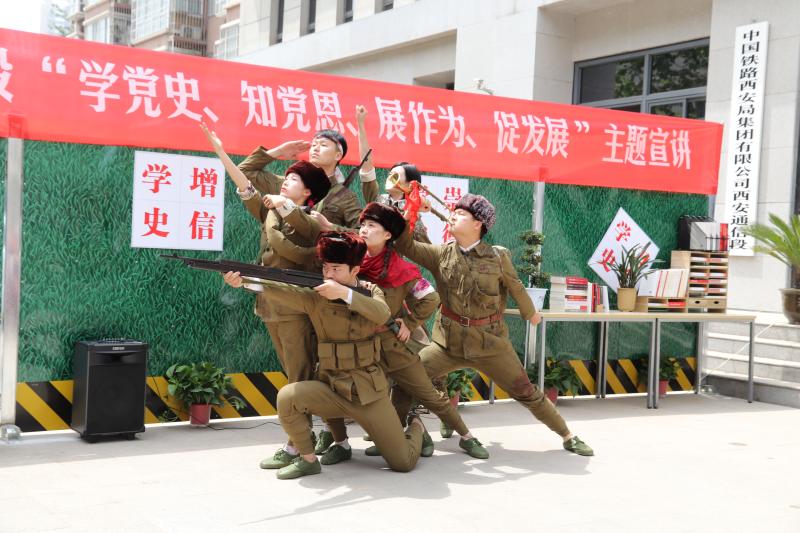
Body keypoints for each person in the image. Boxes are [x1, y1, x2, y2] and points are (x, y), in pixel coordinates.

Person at [391, 193, 595, 458]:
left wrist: (530, 313)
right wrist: (412, 211)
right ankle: (395, 435)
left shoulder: (497, 257)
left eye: (461, 214)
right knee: (408, 375)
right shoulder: (440, 254)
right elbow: (406, 245)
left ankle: (568, 436)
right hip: (448, 344)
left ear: (478, 224)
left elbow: (515, 286)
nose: (453, 216)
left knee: (527, 392)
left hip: (491, 345)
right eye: (454, 211)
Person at [223, 232, 429, 479]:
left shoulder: (370, 290)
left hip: (369, 393)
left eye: (336, 269)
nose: (328, 275)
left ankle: (416, 426)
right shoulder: (315, 297)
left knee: (403, 462)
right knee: (288, 397)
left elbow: (381, 313)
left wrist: (344, 294)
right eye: (325, 268)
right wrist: (246, 281)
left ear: (355, 270)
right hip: (332, 388)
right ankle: (308, 460)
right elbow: (283, 290)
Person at [307, 203, 489, 464]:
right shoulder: (351, 260)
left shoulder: (401, 270)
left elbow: (430, 298)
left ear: (388, 235)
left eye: (372, 226)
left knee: (428, 393)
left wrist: (409, 322)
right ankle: (340, 441)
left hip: (391, 343)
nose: (364, 230)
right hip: (357, 345)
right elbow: (341, 239)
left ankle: (466, 436)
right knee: (333, 385)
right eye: (362, 225)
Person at [200, 123, 331, 467]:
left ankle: (299, 448)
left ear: (308, 193)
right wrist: (221, 151)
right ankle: (303, 442)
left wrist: (283, 203)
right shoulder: (271, 212)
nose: (285, 181)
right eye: (285, 177)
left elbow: (300, 226)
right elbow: (244, 181)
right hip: (270, 307)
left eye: (293, 179)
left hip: (295, 312)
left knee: (299, 379)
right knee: (293, 376)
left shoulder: (312, 222)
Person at [238, 128, 362, 229]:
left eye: (323, 145)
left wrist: (330, 227)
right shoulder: (287, 183)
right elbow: (243, 171)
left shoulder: (345, 196)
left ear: (338, 155)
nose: (315, 148)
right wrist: (279, 151)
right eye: (314, 145)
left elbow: (362, 233)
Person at [354, 105, 432, 243]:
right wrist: (360, 125)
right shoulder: (377, 201)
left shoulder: (414, 216)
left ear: (410, 185)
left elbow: (424, 249)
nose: (390, 178)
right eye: (390, 174)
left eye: (395, 176)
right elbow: (367, 169)